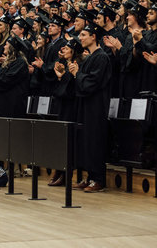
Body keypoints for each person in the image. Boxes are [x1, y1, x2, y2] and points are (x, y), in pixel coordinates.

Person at [72, 23, 112, 193]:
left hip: (96, 105)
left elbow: (92, 83)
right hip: (86, 104)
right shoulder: (90, 57)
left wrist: (77, 74)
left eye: (83, 35)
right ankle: (89, 176)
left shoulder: (101, 57)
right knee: (85, 141)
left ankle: (98, 178)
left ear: (93, 37)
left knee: (94, 140)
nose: (80, 38)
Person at [49, 37, 85, 187]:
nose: (63, 49)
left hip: (72, 107)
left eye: (67, 47)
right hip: (63, 106)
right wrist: (61, 76)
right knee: (61, 141)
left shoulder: (77, 65)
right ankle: (60, 171)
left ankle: (66, 174)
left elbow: (71, 88)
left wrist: (64, 77)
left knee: (69, 142)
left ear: (73, 50)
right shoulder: (66, 64)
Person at [0, 36, 29, 118]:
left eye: (6, 45)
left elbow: (5, 80)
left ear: (12, 47)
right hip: (2, 101)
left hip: (12, 103)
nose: (4, 47)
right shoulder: (9, 62)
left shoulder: (20, 62)